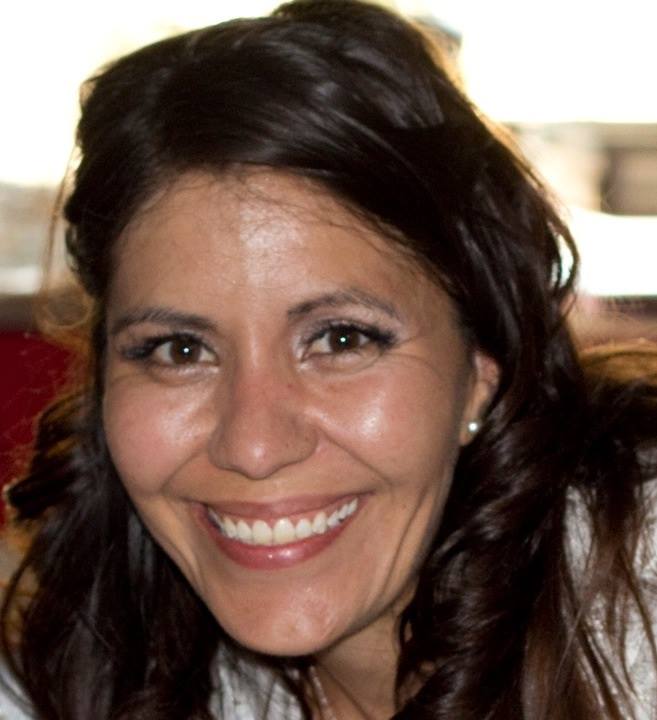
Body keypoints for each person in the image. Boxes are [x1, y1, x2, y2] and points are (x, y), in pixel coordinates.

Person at [1, 0, 656, 718]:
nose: (253, 446)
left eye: (341, 340)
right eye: (180, 350)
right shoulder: (82, 669)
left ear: (480, 370)